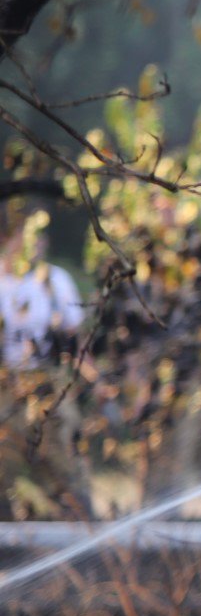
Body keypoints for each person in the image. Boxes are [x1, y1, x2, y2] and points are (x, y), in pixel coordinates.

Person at [0, 203, 89, 518]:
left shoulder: (54, 280)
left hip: (48, 380)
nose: (37, 244)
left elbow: (76, 337)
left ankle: (78, 515)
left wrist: (96, 381)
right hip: (6, 383)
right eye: (27, 236)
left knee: (60, 448)